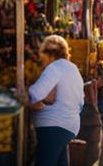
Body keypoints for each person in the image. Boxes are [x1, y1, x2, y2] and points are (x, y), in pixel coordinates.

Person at [25, 35, 84, 166]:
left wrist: (20, 92)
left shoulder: (54, 68)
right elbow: (81, 103)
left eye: (42, 55)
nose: (41, 60)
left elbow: (35, 94)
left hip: (53, 125)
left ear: (51, 54)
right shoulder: (73, 68)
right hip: (69, 126)